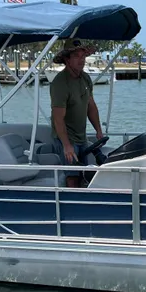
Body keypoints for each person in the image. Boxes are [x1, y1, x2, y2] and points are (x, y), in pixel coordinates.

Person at [50, 38, 107, 187]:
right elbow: (58, 119)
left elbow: (91, 106)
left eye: (83, 56)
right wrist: (66, 145)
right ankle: (70, 205)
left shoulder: (85, 78)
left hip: (81, 136)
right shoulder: (60, 83)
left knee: (85, 173)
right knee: (73, 176)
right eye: (76, 56)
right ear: (67, 59)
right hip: (66, 137)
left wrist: (99, 131)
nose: (81, 60)